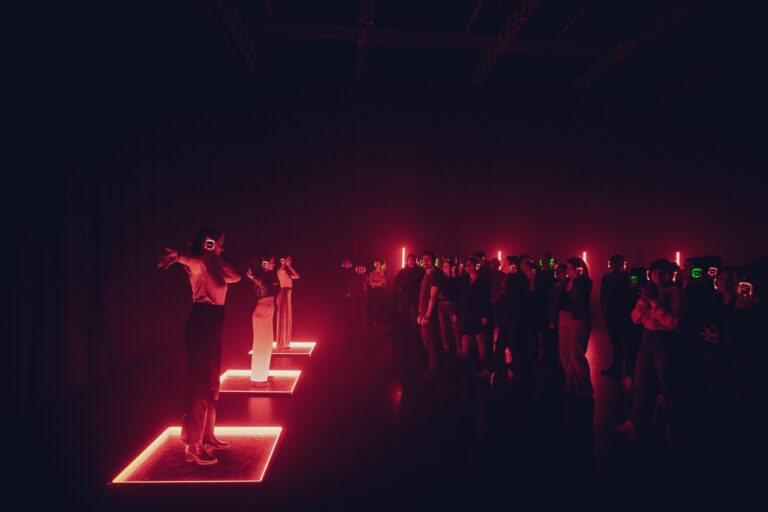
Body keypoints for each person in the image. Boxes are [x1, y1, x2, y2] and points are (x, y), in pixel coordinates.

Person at [157, 227, 241, 465]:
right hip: (202, 320)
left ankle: (207, 435)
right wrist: (180, 257)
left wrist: (215, 257)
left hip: (215, 320)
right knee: (199, 383)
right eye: (218, 242)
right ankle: (193, 444)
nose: (222, 245)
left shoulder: (214, 266)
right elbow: (191, 262)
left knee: (213, 382)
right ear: (208, 243)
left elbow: (236, 276)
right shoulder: (201, 264)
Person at [615, 259, 685, 441]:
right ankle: (634, 423)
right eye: (655, 272)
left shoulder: (675, 293)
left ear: (670, 275)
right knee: (640, 382)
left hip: (665, 341)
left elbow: (674, 323)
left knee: (667, 384)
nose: (658, 276)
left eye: (662, 273)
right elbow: (635, 319)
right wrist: (643, 303)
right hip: (647, 338)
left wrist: (654, 303)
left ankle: (672, 425)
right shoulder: (649, 291)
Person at [558, 257, 594, 398]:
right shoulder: (565, 282)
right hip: (564, 318)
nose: (567, 270)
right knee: (565, 353)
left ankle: (585, 387)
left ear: (578, 269)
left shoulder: (585, 282)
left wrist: (577, 280)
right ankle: (571, 383)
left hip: (579, 319)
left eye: (570, 268)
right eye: (566, 267)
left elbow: (580, 300)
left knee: (576, 353)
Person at [600, 254, 634, 380]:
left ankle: (623, 369)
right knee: (619, 342)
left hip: (621, 315)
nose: (613, 266)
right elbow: (603, 295)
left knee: (622, 342)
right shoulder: (625, 277)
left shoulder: (623, 278)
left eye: (615, 263)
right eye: (613, 263)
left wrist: (604, 309)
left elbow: (603, 295)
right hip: (617, 314)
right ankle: (626, 370)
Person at [246, 257, 278, 384]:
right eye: (271, 262)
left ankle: (262, 373)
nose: (274, 264)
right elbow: (260, 283)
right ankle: (258, 377)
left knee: (267, 344)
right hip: (262, 312)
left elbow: (275, 282)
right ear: (264, 263)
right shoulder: (259, 277)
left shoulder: (268, 276)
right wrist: (253, 277)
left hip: (266, 311)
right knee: (262, 344)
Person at [459, 256, 491, 376]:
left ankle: (484, 364)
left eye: (470, 265)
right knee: (465, 336)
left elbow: (486, 299)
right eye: (466, 265)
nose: (467, 267)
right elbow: (461, 297)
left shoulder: (483, 281)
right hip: (466, 313)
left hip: (478, 312)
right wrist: (458, 312)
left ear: (476, 266)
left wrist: (485, 315)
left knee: (479, 337)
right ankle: (464, 363)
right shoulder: (464, 280)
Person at [417, 251, 441, 379]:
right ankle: (432, 370)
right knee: (427, 344)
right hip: (423, 314)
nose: (425, 261)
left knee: (431, 345)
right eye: (423, 259)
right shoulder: (426, 275)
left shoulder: (434, 276)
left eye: (428, 259)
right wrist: (420, 314)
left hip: (429, 316)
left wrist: (427, 315)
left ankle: (433, 373)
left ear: (433, 262)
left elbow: (433, 297)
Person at [275, 256, 300, 351]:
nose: (290, 261)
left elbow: (297, 276)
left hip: (287, 294)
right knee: (283, 319)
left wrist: (288, 266)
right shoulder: (281, 270)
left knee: (286, 318)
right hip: (284, 293)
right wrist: (286, 265)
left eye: (290, 259)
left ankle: (285, 342)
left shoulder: (286, 270)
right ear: (284, 260)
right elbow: (294, 275)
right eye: (288, 259)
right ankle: (282, 344)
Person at [437, 258, 461, 355]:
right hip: (442, 305)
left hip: (452, 305)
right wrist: (440, 296)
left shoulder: (456, 279)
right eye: (444, 267)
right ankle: (446, 346)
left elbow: (458, 296)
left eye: (446, 266)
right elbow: (439, 292)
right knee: (443, 327)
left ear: (451, 268)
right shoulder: (442, 279)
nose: (444, 268)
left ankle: (458, 347)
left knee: (455, 327)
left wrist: (456, 311)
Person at [395, 254, 424, 330]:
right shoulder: (403, 271)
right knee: (406, 312)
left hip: (416, 294)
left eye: (412, 259)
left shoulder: (420, 271)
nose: (410, 261)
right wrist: (401, 288)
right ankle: (407, 328)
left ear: (415, 260)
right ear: (407, 261)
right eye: (409, 260)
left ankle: (418, 328)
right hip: (406, 295)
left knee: (417, 312)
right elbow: (396, 281)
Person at [367, 260, 388, 328]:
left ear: (381, 265)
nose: (377, 265)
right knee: (374, 305)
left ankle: (381, 321)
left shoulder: (384, 272)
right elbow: (370, 283)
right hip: (375, 291)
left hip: (382, 291)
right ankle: (375, 321)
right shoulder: (372, 273)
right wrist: (378, 283)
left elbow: (385, 282)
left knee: (381, 305)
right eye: (376, 264)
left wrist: (383, 274)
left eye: (379, 264)